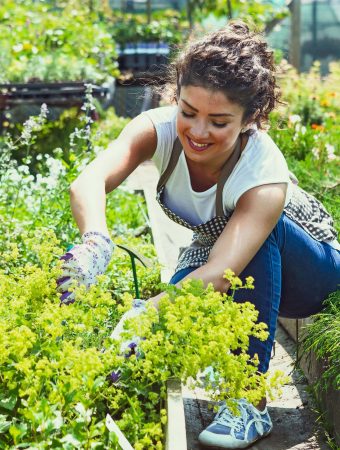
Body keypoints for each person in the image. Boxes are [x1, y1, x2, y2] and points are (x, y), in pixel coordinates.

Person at [58, 21, 340, 449]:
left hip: (313, 273)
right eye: (188, 112)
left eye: (219, 122)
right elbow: (88, 181)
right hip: (227, 257)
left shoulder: (263, 171)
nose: (198, 132)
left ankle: (251, 403)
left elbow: (223, 273)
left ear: (251, 120)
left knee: (209, 279)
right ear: (176, 97)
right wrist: (96, 242)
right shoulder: (159, 129)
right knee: (158, 335)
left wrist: (148, 311)